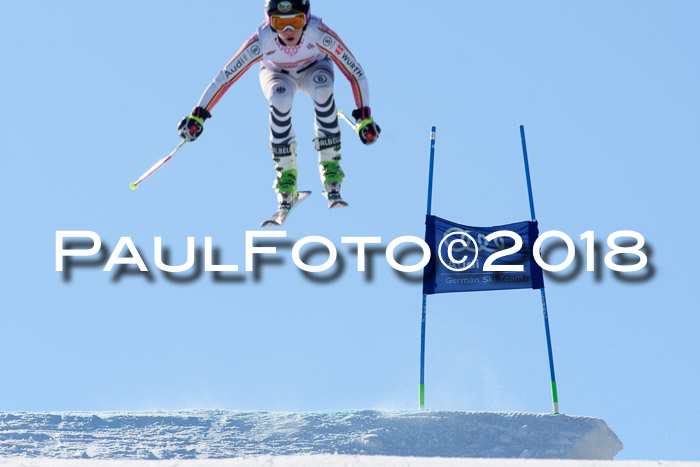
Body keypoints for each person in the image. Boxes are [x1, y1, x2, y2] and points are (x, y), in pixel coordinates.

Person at [178, 0, 380, 210]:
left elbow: (354, 71)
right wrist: (199, 113)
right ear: (270, 22)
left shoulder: (318, 33)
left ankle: (331, 169)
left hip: (315, 68)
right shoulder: (263, 40)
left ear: (306, 18)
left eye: (296, 20)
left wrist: (364, 115)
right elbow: (226, 77)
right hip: (276, 74)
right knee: (279, 98)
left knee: (323, 89)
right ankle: (286, 177)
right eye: (280, 23)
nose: (289, 30)